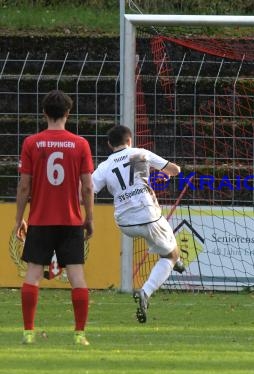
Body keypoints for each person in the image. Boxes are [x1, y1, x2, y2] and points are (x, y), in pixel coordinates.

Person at [14, 90, 95, 346]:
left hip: (40, 219)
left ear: (44, 113)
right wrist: (89, 217)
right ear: (68, 113)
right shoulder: (80, 144)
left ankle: (29, 332)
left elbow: (24, 186)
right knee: (77, 277)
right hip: (71, 221)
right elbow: (88, 187)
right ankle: (80, 334)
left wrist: (19, 220)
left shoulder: (31, 142)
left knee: (33, 274)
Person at [92, 125, 185, 323]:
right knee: (171, 253)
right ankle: (146, 291)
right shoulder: (140, 153)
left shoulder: (104, 166)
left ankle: (176, 262)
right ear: (130, 140)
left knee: (164, 237)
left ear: (110, 145)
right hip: (147, 215)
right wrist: (166, 174)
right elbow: (175, 170)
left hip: (124, 223)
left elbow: (88, 190)